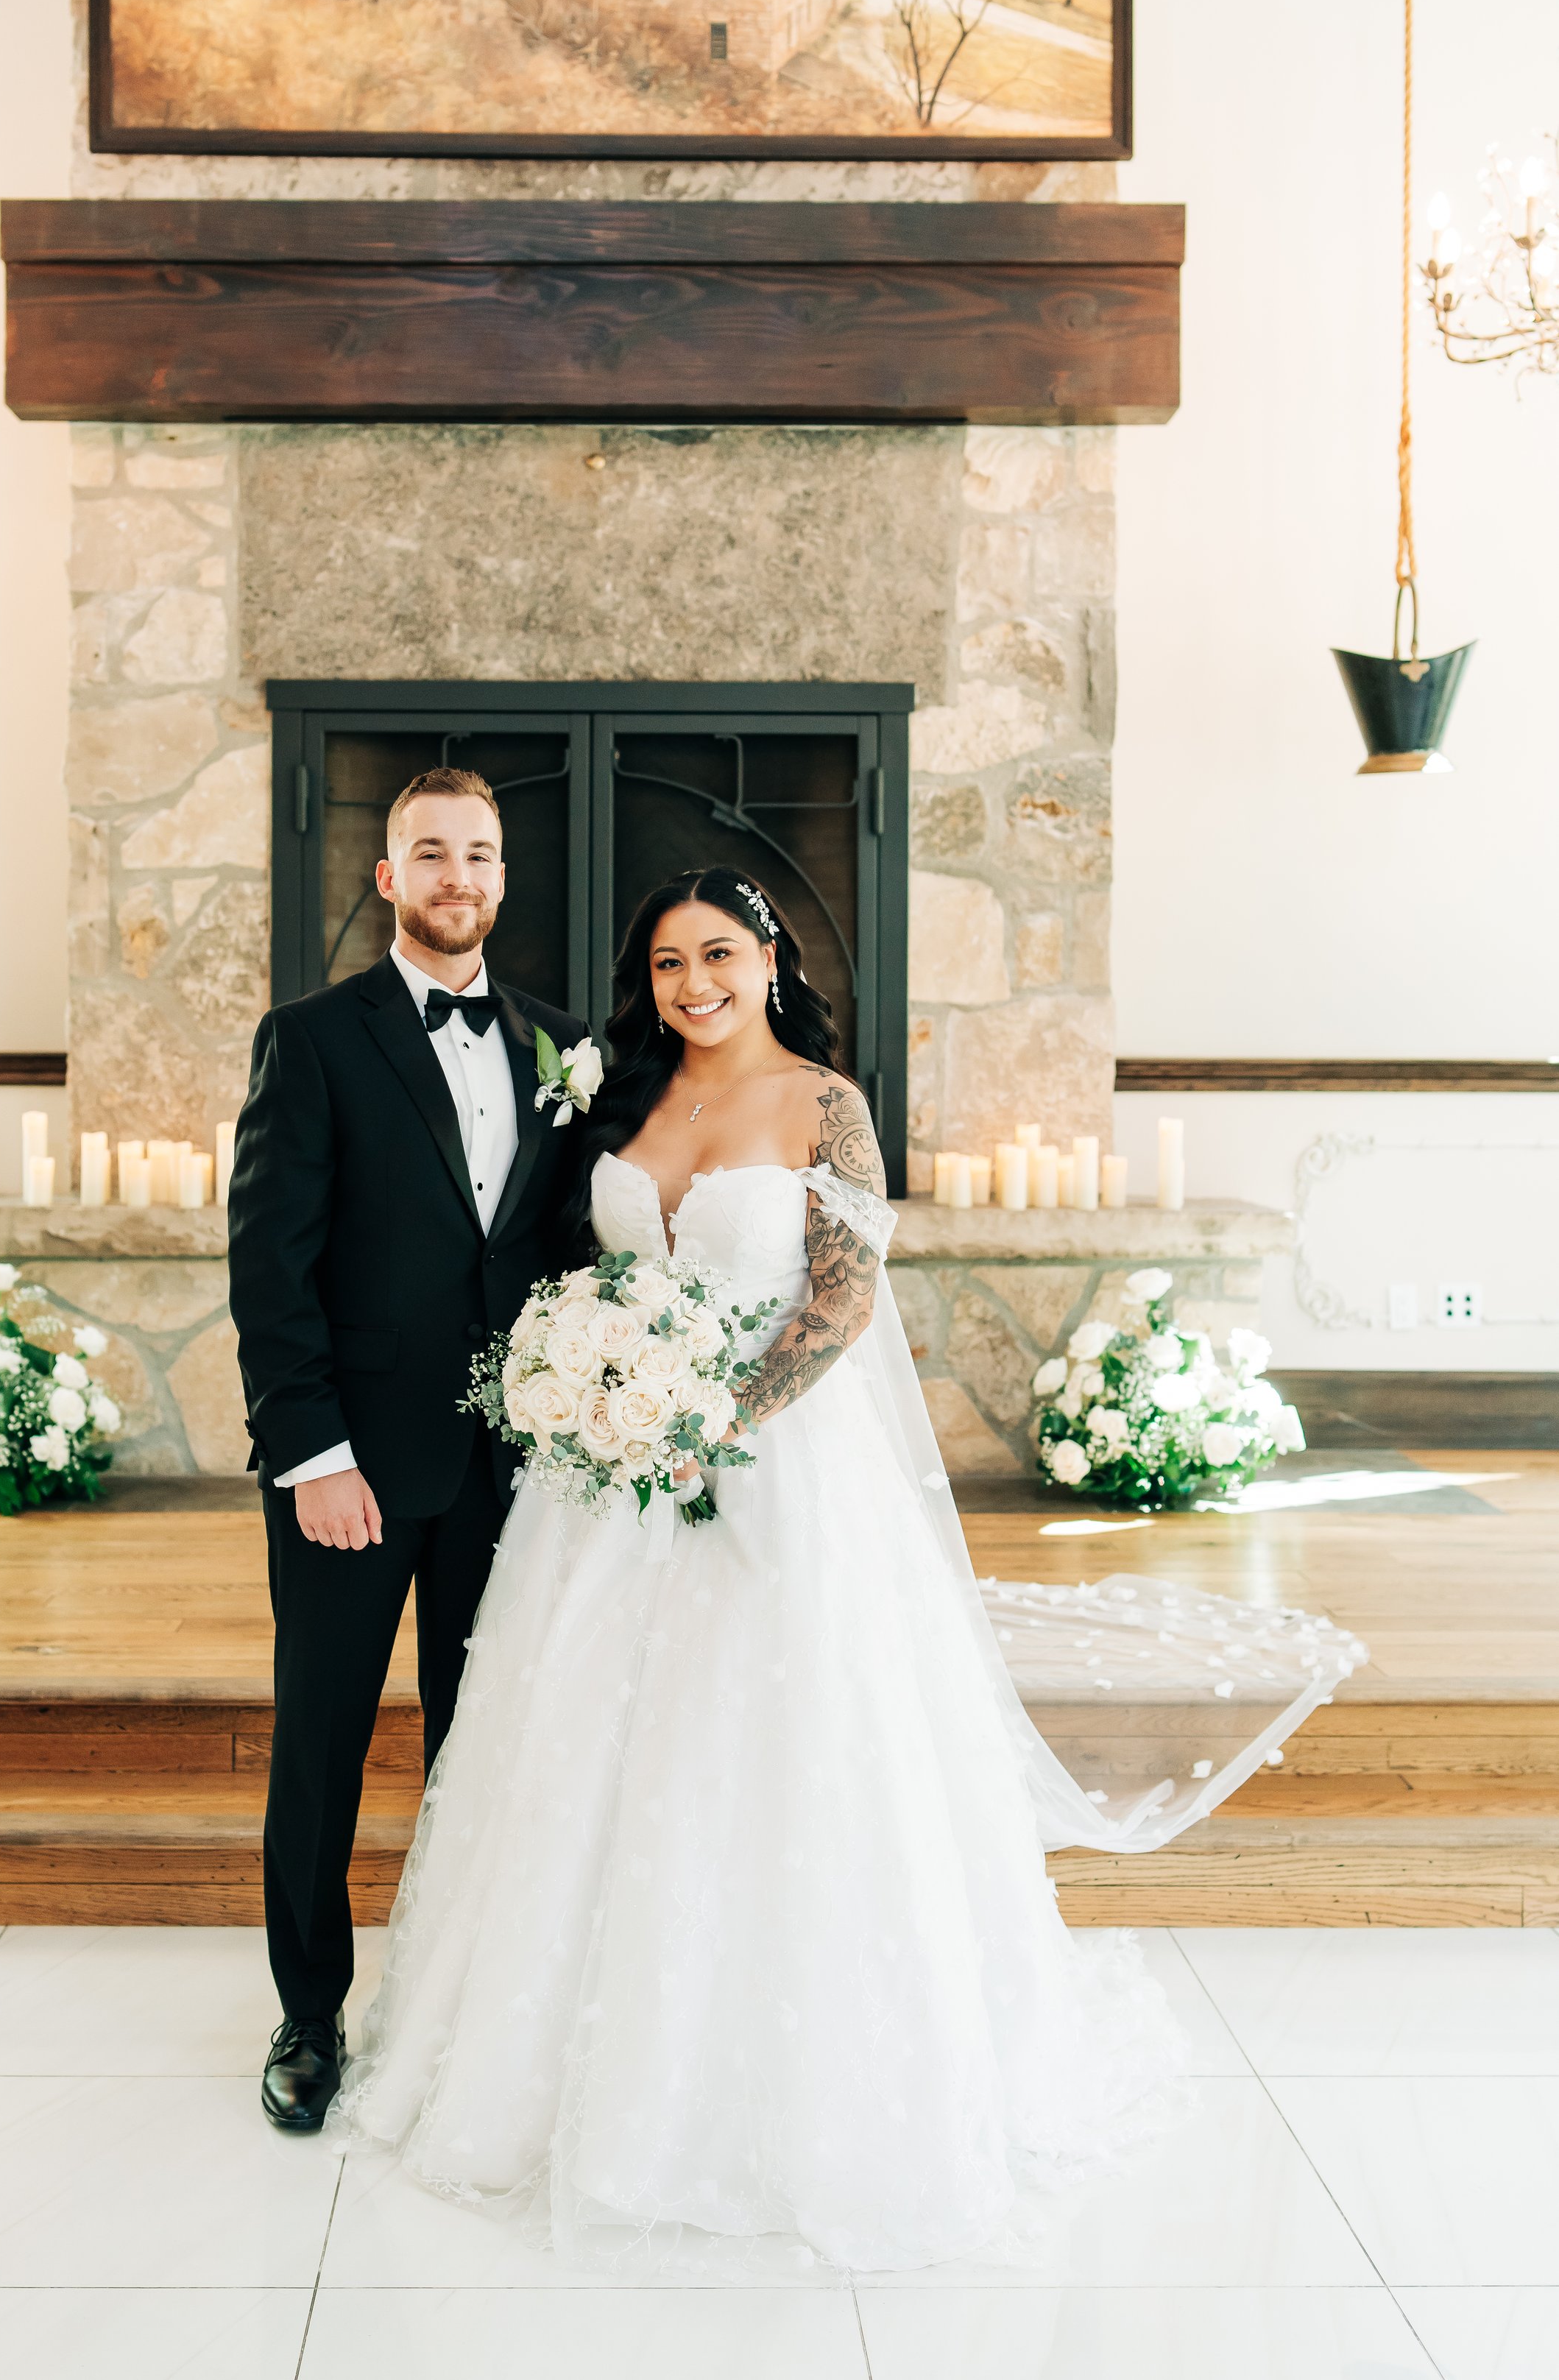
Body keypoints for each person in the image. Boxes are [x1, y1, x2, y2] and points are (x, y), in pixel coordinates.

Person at [333, 866, 1360, 2276]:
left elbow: (840, 1296)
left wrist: (713, 1417)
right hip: (607, 1488)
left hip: (779, 1476)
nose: (693, 983)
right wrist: (597, 1385)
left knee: (782, 1747)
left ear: (771, 956)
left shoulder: (828, 1107)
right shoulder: (622, 1103)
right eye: (669, 961)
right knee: (582, 1756)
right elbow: (581, 1276)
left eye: (719, 953)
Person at [227, 766, 589, 2135]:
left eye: (479, 854)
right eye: (428, 853)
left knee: (479, 1740)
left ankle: (452, 2005)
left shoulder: (560, 1047)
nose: (457, 876)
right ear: (388, 878)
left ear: (505, 879)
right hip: (353, 1474)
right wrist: (312, 1455)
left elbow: (560, 1255)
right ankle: (309, 2012)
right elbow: (273, 1263)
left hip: (515, 1472)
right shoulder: (313, 1039)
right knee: (322, 1740)